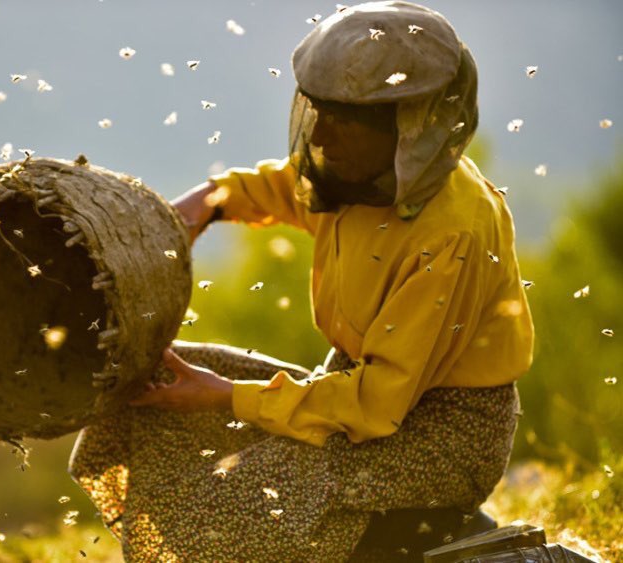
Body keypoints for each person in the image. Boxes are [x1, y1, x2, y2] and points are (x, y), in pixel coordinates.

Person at [68, 2, 534, 561]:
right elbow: (282, 187)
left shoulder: (452, 231)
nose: (323, 139)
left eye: (346, 122)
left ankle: (429, 535)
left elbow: (375, 405)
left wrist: (224, 398)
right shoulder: (358, 173)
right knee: (145, 390)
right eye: (320, 114)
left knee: (230, 499)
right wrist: (201, 208)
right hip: (354, 397)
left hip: (438, 437)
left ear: (410, 126)